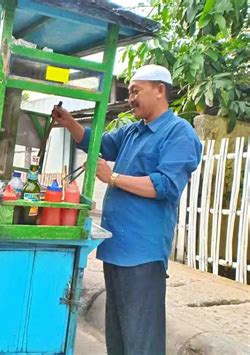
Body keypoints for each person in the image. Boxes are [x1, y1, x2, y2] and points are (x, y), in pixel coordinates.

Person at [52, 64, 202, 355]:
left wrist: (113, 178)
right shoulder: (134, 131)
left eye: (136, 91)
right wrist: (69, 121)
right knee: (118, 336)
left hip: (142, 255)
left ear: (160, 91)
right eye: (130, 91)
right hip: (116, 250)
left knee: (142, 341)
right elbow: (100, 144)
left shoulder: (178, 133)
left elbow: (166, 186)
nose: (130, 97)